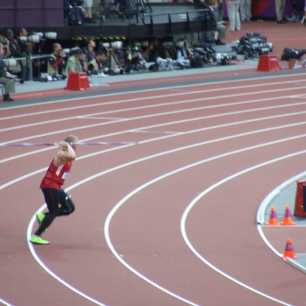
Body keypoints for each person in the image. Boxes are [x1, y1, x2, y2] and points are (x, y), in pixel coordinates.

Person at [30, 135, 79, 245]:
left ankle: (43, 216)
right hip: (50, 185)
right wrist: (66, 144)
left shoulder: (66, 153)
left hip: (56, 186)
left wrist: (67, 145)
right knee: (54, 211)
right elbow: (72, 155)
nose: (77, 147)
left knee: (69, 208)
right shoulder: (61, 154)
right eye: (75, 144)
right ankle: (36, 236)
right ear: (70, 145)